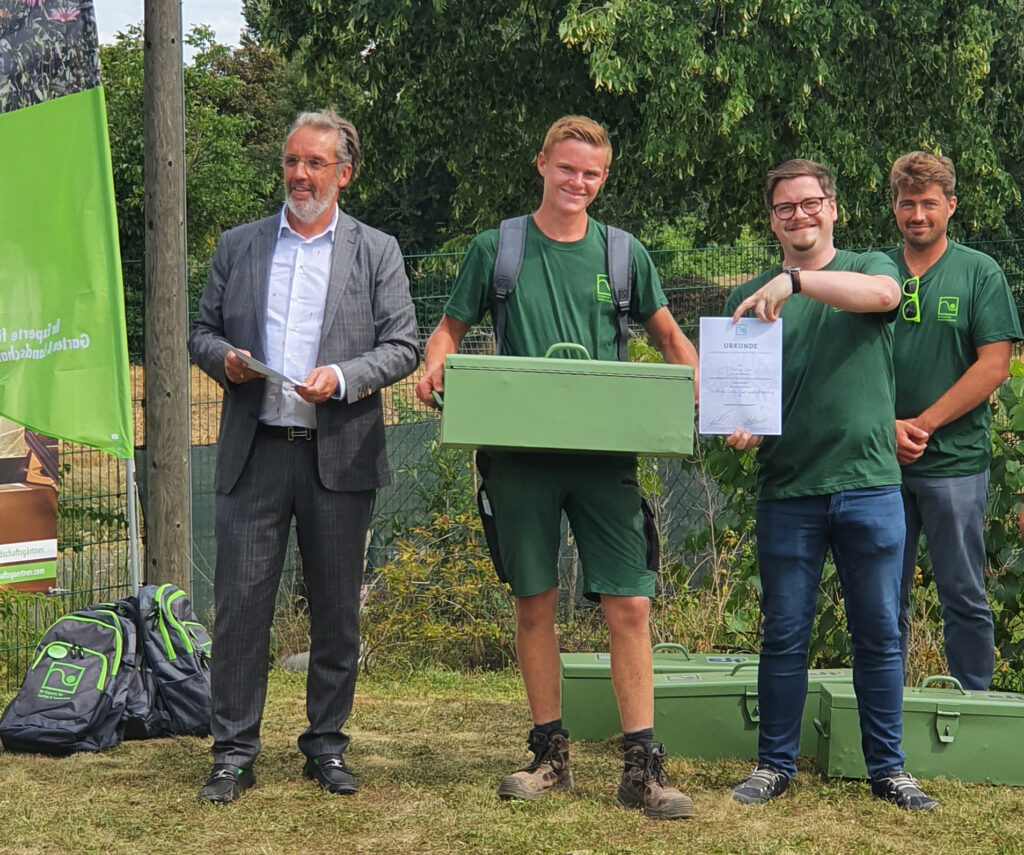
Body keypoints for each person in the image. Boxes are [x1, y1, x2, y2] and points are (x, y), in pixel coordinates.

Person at [415, 116, 699, 820]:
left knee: (630, 603)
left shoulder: (625, 254)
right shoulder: (499, 248)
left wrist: (698, 386)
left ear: (604, 178)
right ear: (541, 163)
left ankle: (642, 765)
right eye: (567, 169)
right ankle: (549, 755)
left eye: (592, 174)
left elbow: (670, 339)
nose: (578, 183)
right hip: (517, 458)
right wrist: (432, 365)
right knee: (533, 600)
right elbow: (448, 331)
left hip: (606, 460)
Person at [189, 109, 419, 804]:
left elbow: (403, 344)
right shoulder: (240, 245)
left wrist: (344, 376)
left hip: (339, 453)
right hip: (254, 450)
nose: (299, 174)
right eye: (292, 161)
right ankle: (232, 752)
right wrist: (222, 359)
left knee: (335, 614)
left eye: (315, 163)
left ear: (343, 173)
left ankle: (324, 745)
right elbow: (200, 330)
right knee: (239, 608)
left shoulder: (377, 251)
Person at [724, 159, 938, 811]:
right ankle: (773, 764)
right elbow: (750, 394)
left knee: (878, 631)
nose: (799, 215)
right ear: (772, 219)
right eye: (785, 207)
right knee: (784, 631)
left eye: (810, 202)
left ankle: (889, 768)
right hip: (788, 490)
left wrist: (797, 281)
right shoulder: (756, 296)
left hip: (871, 486)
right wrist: (745, 424)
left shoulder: (870, 264)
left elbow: (885, 299)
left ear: (833, 208)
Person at [888, 151, 1021, 690]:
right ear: (893, 207)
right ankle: (884, 712)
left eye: (928, 203)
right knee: (881, 594)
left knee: (962, 592)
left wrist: (923, 423)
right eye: (906, 203)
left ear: (951, 206)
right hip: (881, 459)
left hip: (954, 464)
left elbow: (995, 364)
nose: (917, 214)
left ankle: (973, 707)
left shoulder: (978, 272)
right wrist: (886, 428)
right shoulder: (875, 271)